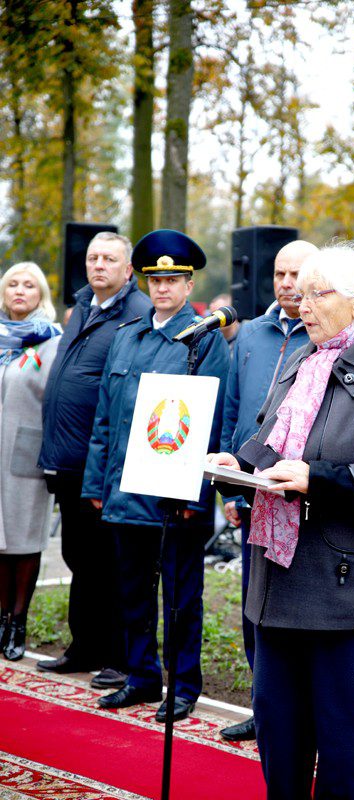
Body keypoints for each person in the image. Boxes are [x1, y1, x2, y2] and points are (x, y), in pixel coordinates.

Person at [209, 243, 354, 799]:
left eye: (317, 294)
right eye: (300, 294)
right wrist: (237, 467)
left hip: (345, 588)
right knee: (279, 732)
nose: (302, 304)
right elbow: (271, 448)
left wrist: (322, 479)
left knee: (341, 739)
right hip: (277, 581)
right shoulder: (300, 363)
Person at [82, 229, 230, 720]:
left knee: (181, 597)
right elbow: (106, 417)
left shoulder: (205, 341)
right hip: (125, 490)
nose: (162, 288)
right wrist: (97, 483)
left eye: (173, 280)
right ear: (145, 282)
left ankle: (183, 686)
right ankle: (141, 676)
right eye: (155, 280)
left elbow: (212, 423)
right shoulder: (127, 337)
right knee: (132, 592)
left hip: (174, 496)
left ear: (189, 285)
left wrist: (196, 493)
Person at [37, 232, 151, 688]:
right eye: (93, 257)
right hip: (69, 460)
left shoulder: (138, 312)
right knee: (78, 556)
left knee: (111, 562)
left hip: (103, 462)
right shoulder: (83, 305)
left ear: (128, 269)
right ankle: (83, 646)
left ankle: (119, 656)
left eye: (109, 259)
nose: (98, 265)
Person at [219, 239, 317, 742]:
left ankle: (295, 713)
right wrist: (228, 490)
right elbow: (232, 411)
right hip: (248, 488)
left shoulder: (322, 338)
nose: (287, 283)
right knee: (252, 605)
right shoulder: (251, 334)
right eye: (280, 274)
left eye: (297, 274)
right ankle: (264, 706)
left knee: (293, 611)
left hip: (298, 496)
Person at [0, 262, 61, 661]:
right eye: (12, 284)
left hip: (27, 453)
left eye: (29, 285)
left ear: (41, 294)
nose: (20, 290)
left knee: (24, 540)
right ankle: (0, 617)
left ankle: (18, 621)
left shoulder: (51, 341)